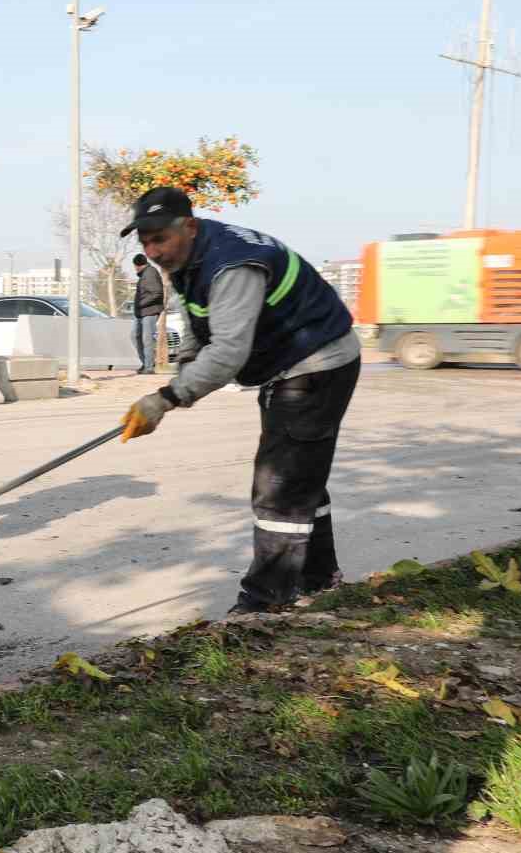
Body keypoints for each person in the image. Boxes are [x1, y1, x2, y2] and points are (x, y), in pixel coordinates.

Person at [118, 187, 361, 615]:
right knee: (300, 474)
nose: (153, 250)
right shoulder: (189, 256)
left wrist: (166, 398)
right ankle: (321, 579)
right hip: (289, 364)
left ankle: (265, 605)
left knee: (279, 487)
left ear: (188, 226)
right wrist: (188, 367)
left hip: (316, 363)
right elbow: (199, 320)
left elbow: (229, 353)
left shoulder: (231, 265)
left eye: (160, 239)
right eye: (146, 242)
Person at [131, 253, 164, 374]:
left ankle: (149, 367)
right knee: (135, 336)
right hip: (141, 312)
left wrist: (141, 303)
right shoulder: (144, 274)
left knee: (147, 338)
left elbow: (157, 293)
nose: (135, 269)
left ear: (138, 265)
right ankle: (146, 363)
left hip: (150, 311)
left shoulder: (150, 273)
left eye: (135, 266)